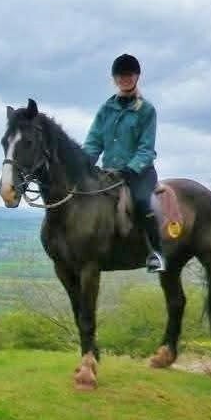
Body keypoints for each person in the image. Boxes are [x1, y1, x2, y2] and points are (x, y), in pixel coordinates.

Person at [81, 54, 165, 273]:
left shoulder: (146, 110)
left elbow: (147, 148)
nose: (125, 79)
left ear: (137, 77)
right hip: (109, 172)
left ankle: (156, 253)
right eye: (121, 75)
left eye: (129, 75)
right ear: (114, 79)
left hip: (139, 172)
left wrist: (131, 168)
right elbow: (94, 141)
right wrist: (84, 163)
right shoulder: (106, 109)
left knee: (141, 201)